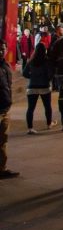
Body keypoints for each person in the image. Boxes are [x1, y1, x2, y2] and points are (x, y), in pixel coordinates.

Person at [23, 43, 55, 133]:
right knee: (47, 106)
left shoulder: (31, 61)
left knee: (30, 108)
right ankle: (49, 124)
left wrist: (33, 77)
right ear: (45, 51)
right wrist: (46, 78)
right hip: (44, 86)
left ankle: (30, 128)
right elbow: (50, 74)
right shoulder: (47, 61)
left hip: (32, 87)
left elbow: (24, 73)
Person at [0, 40, 17, 179]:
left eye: (3, 49)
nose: (1, 51)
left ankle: (1, 168)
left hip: (5, 108)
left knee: (3, 140)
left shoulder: (6, 65)